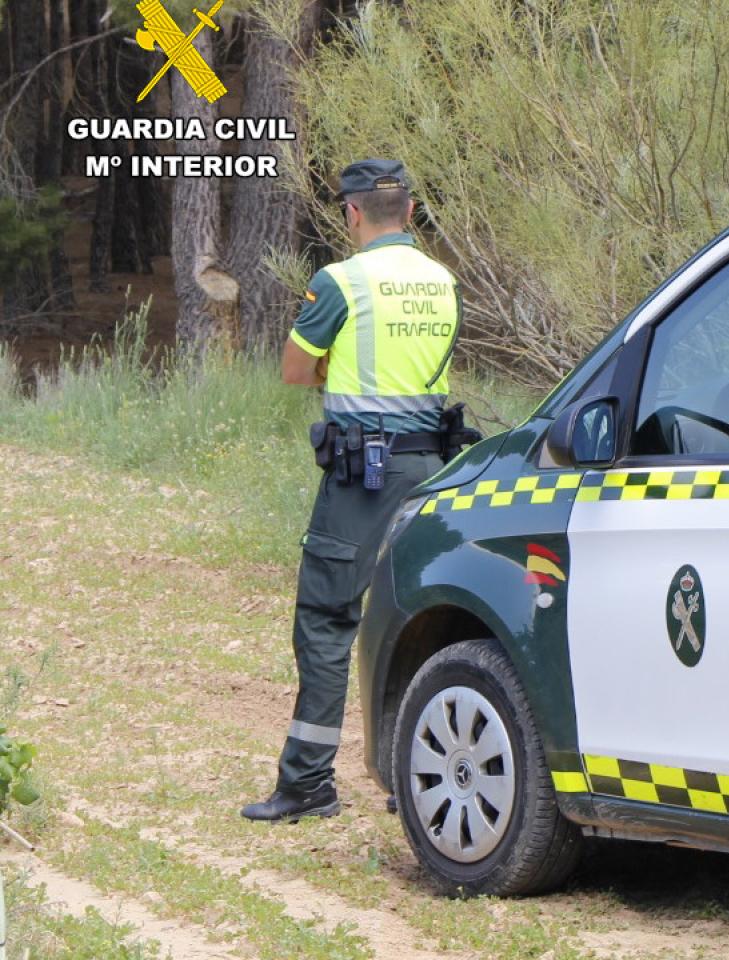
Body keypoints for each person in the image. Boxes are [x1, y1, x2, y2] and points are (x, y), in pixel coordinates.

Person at [242, 159, 463, 822]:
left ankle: (309, 782)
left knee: (328, 618)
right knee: (424, 618)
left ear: (353, 213)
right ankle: (416, 779)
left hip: (363, 479)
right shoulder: (443, 281)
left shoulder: (341, 281)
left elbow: (293, 368)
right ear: (413, 212)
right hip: (435, 471)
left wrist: (336, 373)